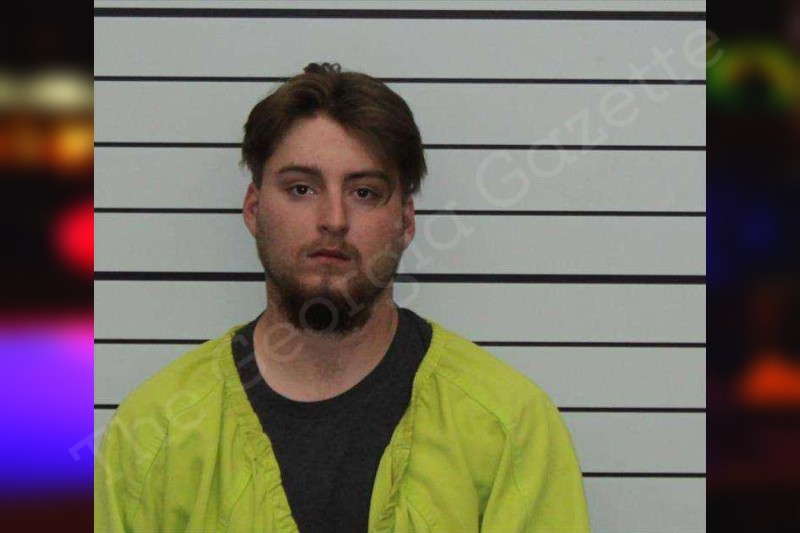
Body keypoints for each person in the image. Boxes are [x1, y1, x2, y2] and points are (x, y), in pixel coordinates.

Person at [94, 62, 590, 532]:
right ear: (254, 208)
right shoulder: (155, 432)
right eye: (301, 189)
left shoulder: (509, 428)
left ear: (406, 221)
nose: (333, 219)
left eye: (364, 192)